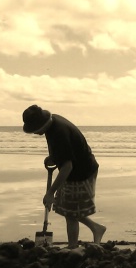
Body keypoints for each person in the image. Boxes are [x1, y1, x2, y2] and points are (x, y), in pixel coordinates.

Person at [22, 104, 106, 248]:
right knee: (66, 208)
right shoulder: (52, 122)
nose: (34, 133)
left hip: (81, 172)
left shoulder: (59, 132)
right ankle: (96, 228)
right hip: (75, 169)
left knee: (71, 213)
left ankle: (73, 247)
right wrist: (54, 157)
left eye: (34, 130)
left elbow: (67, 166)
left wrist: (50, 192)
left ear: (41, 124)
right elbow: (68, 149)